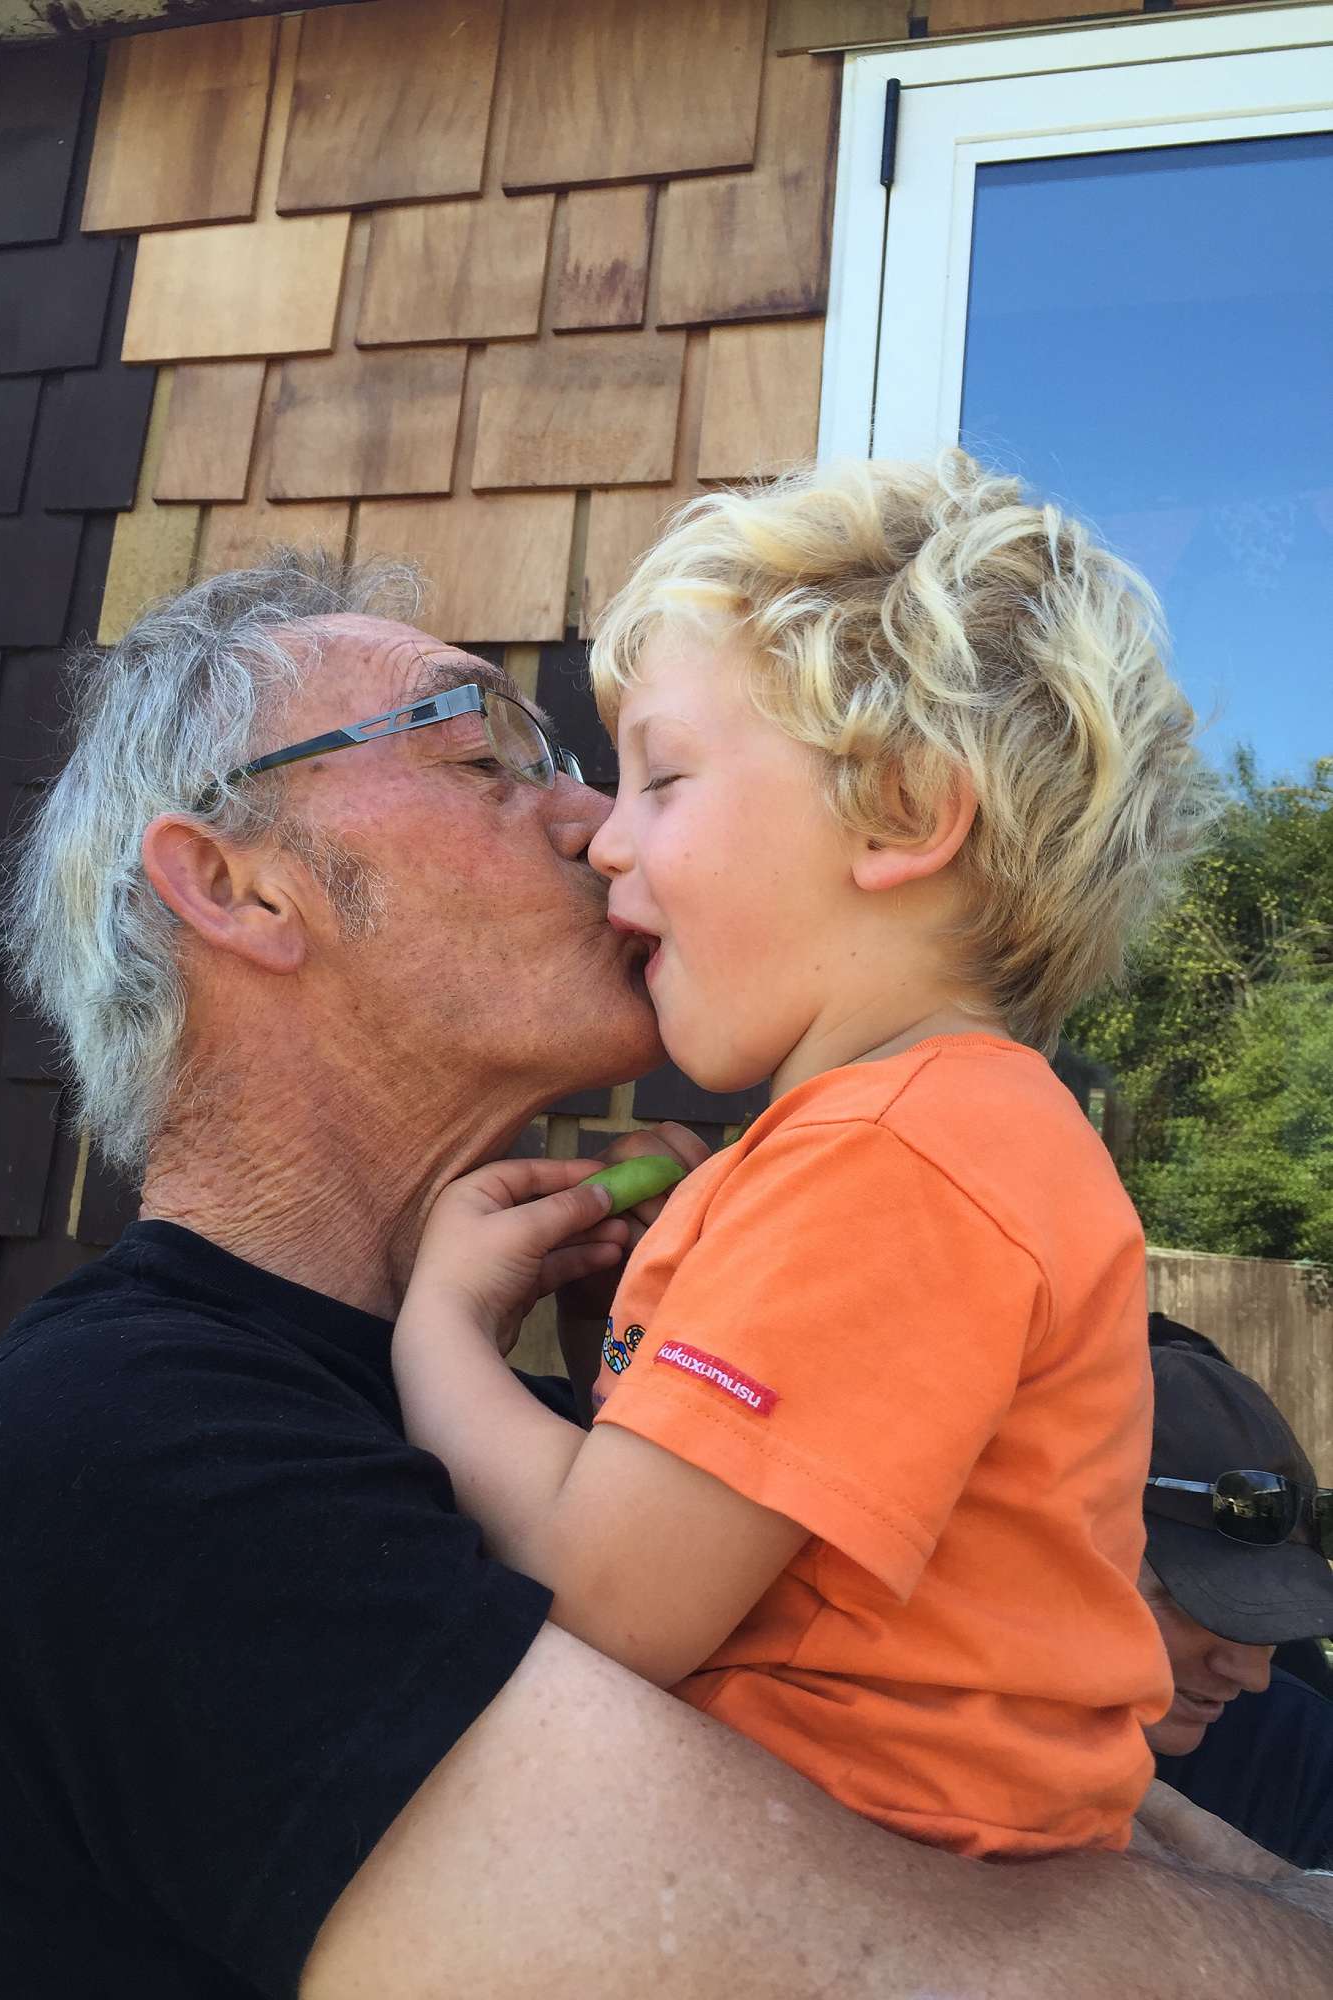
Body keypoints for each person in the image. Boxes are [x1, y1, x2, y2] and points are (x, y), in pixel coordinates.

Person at [0, 555, 1332, 1999]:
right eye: (483, 758)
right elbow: (909, 1966)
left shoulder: (509, 1392)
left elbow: (985, 1726)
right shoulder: (115, 1455)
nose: (595, 823)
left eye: (645, 778)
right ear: (239, 888)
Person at [393, 455, 1198, 1858]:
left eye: (663, 777)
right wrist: (630, 1354)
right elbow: (768, 1545)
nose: (607, 841)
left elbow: (607, 1597)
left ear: (902, 811)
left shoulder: (889, 1156)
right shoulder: (960, 1133)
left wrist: (441, 1326)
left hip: (830, 1878)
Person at [1141, 1318, 1333, 1870]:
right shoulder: (922, 1736)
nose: (1252, 1675)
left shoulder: (1295, 1749)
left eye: (1275, 1621)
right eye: (1192, 1604)